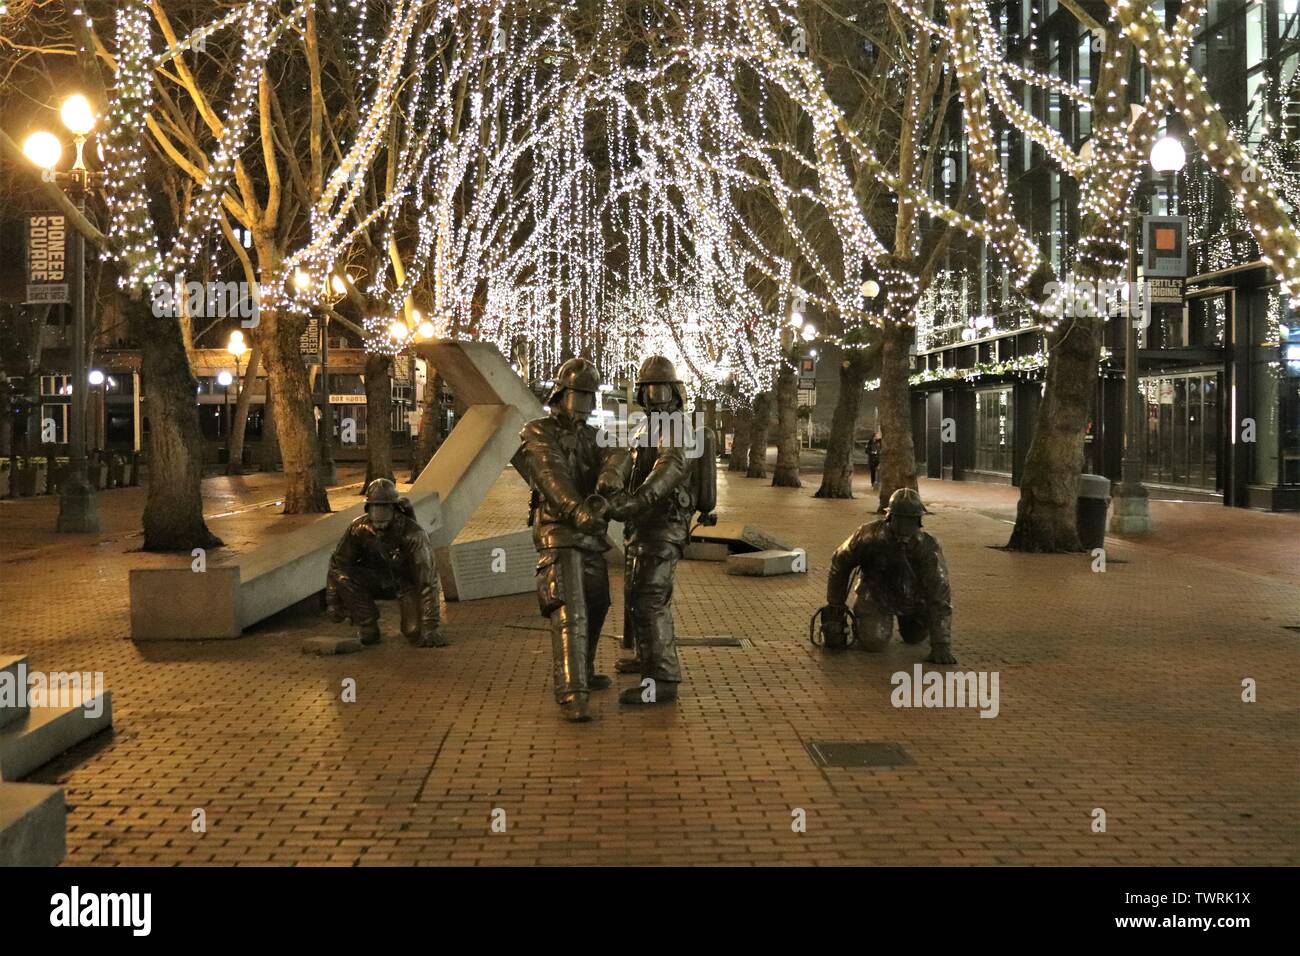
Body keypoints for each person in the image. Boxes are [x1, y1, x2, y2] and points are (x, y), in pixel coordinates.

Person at [515, 357, 624, 722]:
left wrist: (611, 471)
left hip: (590, 532)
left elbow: (618, 451)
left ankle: (586, 670)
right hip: (558, 530)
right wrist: (577, 511)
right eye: (580, 396)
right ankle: (571, 690)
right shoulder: (537, 431)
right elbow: (551, 474)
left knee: (598, 602)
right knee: (570, 608)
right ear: (561, 395)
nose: (586, 406)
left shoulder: (595, 435)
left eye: (590, 398)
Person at [605, 356, 716, 706]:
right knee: (639, 592)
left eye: (661, 388)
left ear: (674, 391)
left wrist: (637, 500)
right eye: (649, 389)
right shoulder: (644, 426)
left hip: (664, 523)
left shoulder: (678, 426)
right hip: (643, 523)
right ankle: (645, 658)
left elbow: (672, 466)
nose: (655, 396)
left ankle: (662, 679)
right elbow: (626, 459)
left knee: (649, 597)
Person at [821, 487, 956, 664]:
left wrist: (941, 642)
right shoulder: (867, 536)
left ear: (919, 521)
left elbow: (940, 592)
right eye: (901, 520)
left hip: (914, 601)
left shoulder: (928, 547)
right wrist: (835, 606)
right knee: (873, 642)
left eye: (911, 520)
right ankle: (869, 622)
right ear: (890, 517)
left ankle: (910, 623)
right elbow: (840, 563)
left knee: (914, 637)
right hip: (876, 597)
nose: (905, 526)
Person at [325, 477, 447, 648]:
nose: (380, 525)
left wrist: (430, 625)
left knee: (414, 632)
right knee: (343, 575)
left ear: (394, 509)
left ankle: (419, 624)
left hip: (405, 584)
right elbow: (338, 563)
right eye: (376, 517)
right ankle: (367, 624)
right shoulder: (358, 528)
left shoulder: (413, 534)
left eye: (384, 516)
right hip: (375, 579)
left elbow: (428, 580)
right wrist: (332, 602)